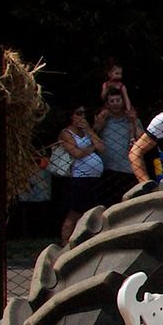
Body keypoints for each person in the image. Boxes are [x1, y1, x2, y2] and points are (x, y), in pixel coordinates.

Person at [58, 103, 105, 244]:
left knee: (93, 213)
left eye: (83, 113)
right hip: (79, 178)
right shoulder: (66, 133)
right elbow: (77, 153)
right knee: (74, 213)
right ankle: (65, 243)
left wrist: (90, 131)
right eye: (78, 113)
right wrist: (92, 147)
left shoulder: (87, 132)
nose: (82, 117)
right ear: (71, 116)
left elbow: (102, 148)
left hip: (94, 178)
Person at [94, 86, 140, 203]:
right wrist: (100, 121)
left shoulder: (131, 120)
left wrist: (134, 120)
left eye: (118, 100)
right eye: (112, 101)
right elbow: (93, 135)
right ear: (107, 104)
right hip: (107, 170)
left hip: (129, 169)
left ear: (123, 102)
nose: (115, 104)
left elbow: (142, 138)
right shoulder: (103, 120)